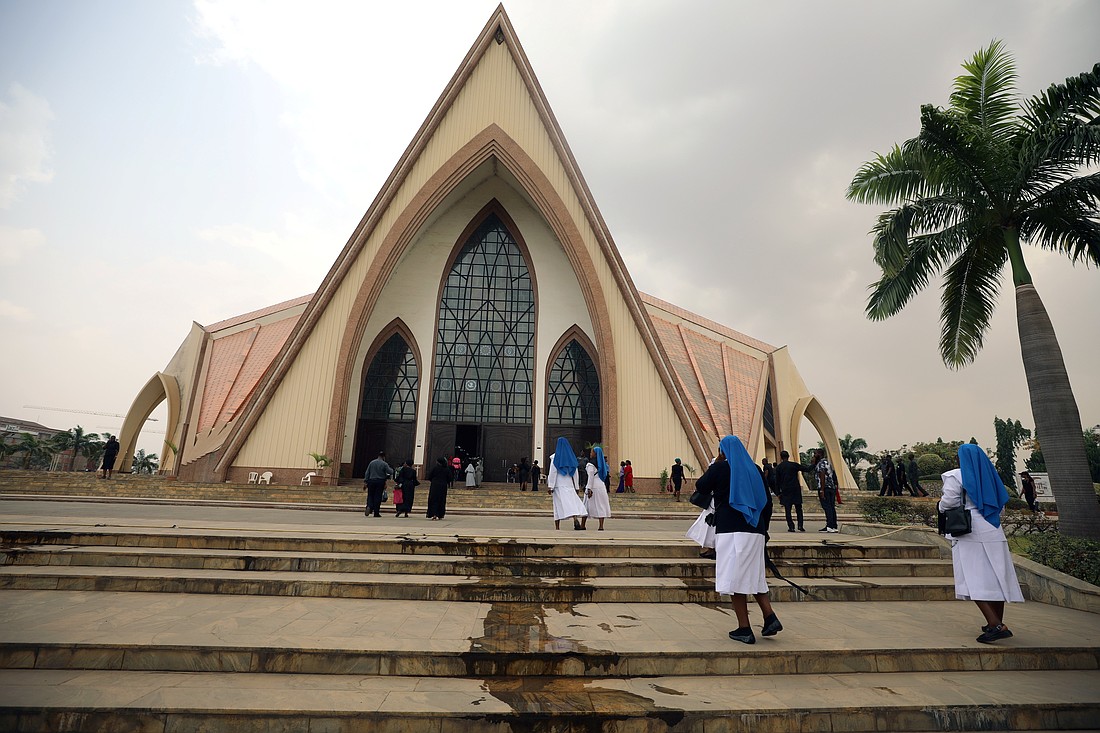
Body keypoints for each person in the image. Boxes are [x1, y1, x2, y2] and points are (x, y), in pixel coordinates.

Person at [694, 435, 780, 644]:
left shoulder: (721, 468)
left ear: (723, 451)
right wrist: (763, 529)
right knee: (754, 574)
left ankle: (744, 628)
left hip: (731, 531)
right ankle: (770, 617)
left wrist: (716, 463)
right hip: (755, 530)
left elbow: (701, 486)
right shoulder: (755, 470)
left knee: (734, 579)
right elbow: (767, 502)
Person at [938, 444, 1024, 643]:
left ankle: (995, 624)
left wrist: (940, 507)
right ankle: (996, 622)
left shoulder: (956, 476)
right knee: (995, 577)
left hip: (970, 530)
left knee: (973, 578)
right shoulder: (990, 476)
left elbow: (949, 502)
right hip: (993, 528)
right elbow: (1001, 507)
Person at [546, 436, 588, 530]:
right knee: (572, 503)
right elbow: (575, 473)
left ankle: (557, 527)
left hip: (558, 485)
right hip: (569, 485)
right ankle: (575, 519)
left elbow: (553, 472)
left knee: (557, 506)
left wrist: (550, 486)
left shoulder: (555, 458)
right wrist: (576, 487)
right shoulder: (571, 457)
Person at [773, 450, 811, 532]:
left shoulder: (779, 467)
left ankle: (791, 526)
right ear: (788, 456)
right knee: (799, 509)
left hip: (786, 490)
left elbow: (777, 482)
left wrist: (778, 493)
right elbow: (807, 469)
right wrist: (814, 464)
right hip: (795, 489)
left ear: (781, 457)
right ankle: (800, 526)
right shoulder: (794, 465)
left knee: (788, 510)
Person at [582, 446, 612, 530]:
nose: (591, 453)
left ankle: (583, 525)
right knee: (601, 505)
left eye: (592, 452)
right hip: (601, 486)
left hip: (593, 486)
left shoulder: (590, 465)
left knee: (586, 505)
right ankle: (601, 526)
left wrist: (589, 489)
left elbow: (591, 477)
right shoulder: (602, 465)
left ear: (595, 454)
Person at [814, 448, 839, 533]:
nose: (814, 455)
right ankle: (834, 526)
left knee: (827, 507)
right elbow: (833, 474)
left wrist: (822, 490)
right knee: (831, 507)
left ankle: (829, 526)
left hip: (825, 488)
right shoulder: (828, 462)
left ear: (819, 454)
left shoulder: (821, 463)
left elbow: (822, 474)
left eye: (815, 454)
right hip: (831, 488)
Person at [363, 451, 393, 518]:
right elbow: (390, 472)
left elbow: (367, 473)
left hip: (371, 481)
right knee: (378, 497)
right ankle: (376, 512)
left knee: (370, 495)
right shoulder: (384, 464)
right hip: (380, 482)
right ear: (383, 457)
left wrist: (365, 481)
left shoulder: (372, 463)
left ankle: (369, 506)